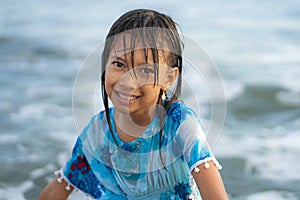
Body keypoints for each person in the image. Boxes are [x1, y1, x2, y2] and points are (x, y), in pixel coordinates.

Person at [39, 9, 228, 200]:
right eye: (119, 64)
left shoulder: (180, 125)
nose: (127, 82)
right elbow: (55, 192)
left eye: (145, 70)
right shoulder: (96, 133)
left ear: (169, 78)